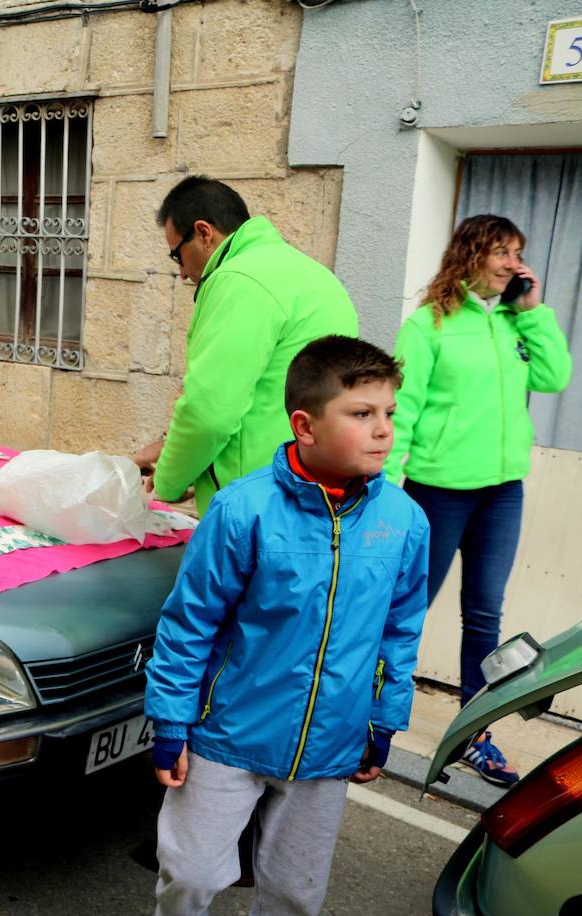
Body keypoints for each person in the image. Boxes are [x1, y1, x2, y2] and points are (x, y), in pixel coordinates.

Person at [143, 335, 430, 915]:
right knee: (192, 874)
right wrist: (171, 720)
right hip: (225, 736)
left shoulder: (404, 520)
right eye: (361, 414)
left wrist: (383, 718)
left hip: (331, 743)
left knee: (295, 895)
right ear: (306, 425)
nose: (383, 430)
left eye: (389, 414)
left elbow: (400, 631)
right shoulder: (242, 510)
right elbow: (189, 624)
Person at [384, 214, 572, 788]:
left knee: (485, 613)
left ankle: (472, 735)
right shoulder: (429, 326)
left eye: (518, 252)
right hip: (438, 491)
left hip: (501, 491)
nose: (514, 263)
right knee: (407, 607)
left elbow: (555, 376)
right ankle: (374, 720)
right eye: (503, 252)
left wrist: (532, 312)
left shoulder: (516, 323)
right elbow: (403, 410)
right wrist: (385, 490)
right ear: (471, 254)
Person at [136, 176, 358, 516]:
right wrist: (174, 449)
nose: (181, 272)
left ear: (204, 233)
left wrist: (168, 480)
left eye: (176, 255)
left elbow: (210, 412)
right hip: (316, 490)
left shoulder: (238, 280)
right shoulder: (314, 275)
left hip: (255, 502)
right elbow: (266, 393)